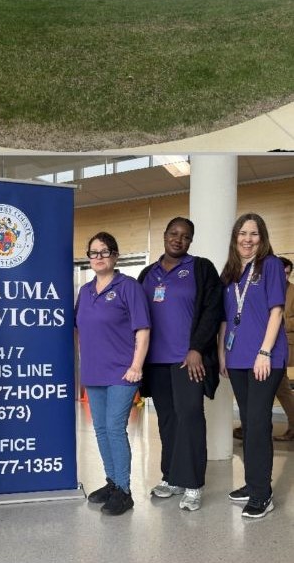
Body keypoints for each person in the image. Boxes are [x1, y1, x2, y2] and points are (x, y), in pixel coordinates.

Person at [136, 217, 223, 510]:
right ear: (164, 235)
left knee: (190, 417)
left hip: (189, 360)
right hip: (156, 362)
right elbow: (136, 317)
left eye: (185, 236)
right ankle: (171, 477)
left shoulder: (201, 268)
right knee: (167, 420)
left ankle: (193, 483)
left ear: (191, 241)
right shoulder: (148, 273)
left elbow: (213, 310)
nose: (178, 239)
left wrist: (197, 348)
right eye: (174, 233)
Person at [219, 213, 288, 520]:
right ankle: (251, 483)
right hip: (236, 358)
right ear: (235, 238)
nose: (247, 239)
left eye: (254, 234)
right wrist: (223, 353)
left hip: (264, 358)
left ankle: (262, 494)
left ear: (262, 238)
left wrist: (265, 351)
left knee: (259, 424)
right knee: (248, 423)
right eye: (242, 233)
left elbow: (276, 311)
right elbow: (225, 318)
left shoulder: (270, 265)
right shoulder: (231, 272)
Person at [76, 231, 150, 517]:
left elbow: (143, 329)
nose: (98, 257)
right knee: (101, 429)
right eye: (93, 253)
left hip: (123, 371)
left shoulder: (128, 287)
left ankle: (125, 491)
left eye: (104, 252)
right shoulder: (85, 291)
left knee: (115, 428)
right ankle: (112, 481)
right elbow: (78, 328)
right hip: (93, 372)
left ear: (115, 255)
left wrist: (136, 365)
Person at [275, 256, 294, 442]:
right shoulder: (268, 289)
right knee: (276, 386)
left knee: (281, 386)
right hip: (266, 346)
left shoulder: (292, 291)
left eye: (287, 273)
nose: (284, 277)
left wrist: (281, 320)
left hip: (284, 345)